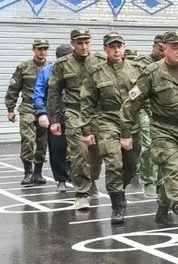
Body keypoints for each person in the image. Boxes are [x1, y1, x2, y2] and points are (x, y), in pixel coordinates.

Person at [120, 31, 178, 237]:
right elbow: (132, 103)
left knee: (177, 174)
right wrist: (126, 132)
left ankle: (163, 208)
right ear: (164, 49)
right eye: (175, 48)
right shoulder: (152, 72)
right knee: (173, 171)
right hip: (163, 130)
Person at [79, 32, 141, 224]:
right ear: (105, 49)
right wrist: (87, 130)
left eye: (119, 46)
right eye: (112, 46)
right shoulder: (96, 72)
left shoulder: (137, 69)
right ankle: (118, 206)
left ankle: (119, 189)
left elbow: (145, 97)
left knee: (130, 166)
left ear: (124, 47)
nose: (116, 50)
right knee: (114, 164)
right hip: (107, 121)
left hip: (132, 122)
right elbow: (87, 101)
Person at [48, 29, 103, 211]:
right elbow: (54, 92)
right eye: (80, 43)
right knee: (80, 153)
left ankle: (92, 181)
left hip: (96, 113)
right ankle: (81, 194)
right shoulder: (63, 64)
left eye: (87, 42)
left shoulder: (99, 61)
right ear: (73, 43)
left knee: (95, 155)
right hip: (74, 112)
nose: (84, 46)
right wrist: (54, 119)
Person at [5, 38, 50, 185]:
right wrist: (10, 109)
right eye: (39, 49)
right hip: (28, 109)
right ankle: (27, 172)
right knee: (28, 140)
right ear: (34, 50)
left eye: (44, 49)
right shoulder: (23, 67)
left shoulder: (51, 68)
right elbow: (13, 89)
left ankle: (38, 172)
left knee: (42, 142)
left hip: (44, 110)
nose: (42, 52)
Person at [34, 44, 72, 192]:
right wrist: (42, 113)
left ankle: (76, 175)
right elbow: (38, 94)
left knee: (80, 148)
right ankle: (61, 179)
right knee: (57, 149)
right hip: (56, 115)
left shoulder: (79, 69)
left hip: (77, 114)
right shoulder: (47, 71)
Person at [135, 34, 166, 200]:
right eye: (160, 48)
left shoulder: (171, 64)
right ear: (154, 46)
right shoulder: (141, 64)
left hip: (165, 111)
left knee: (164, 148)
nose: (163, 52)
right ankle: (148, 181)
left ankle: (161, 181)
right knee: (148, 147)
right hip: (145, 110)